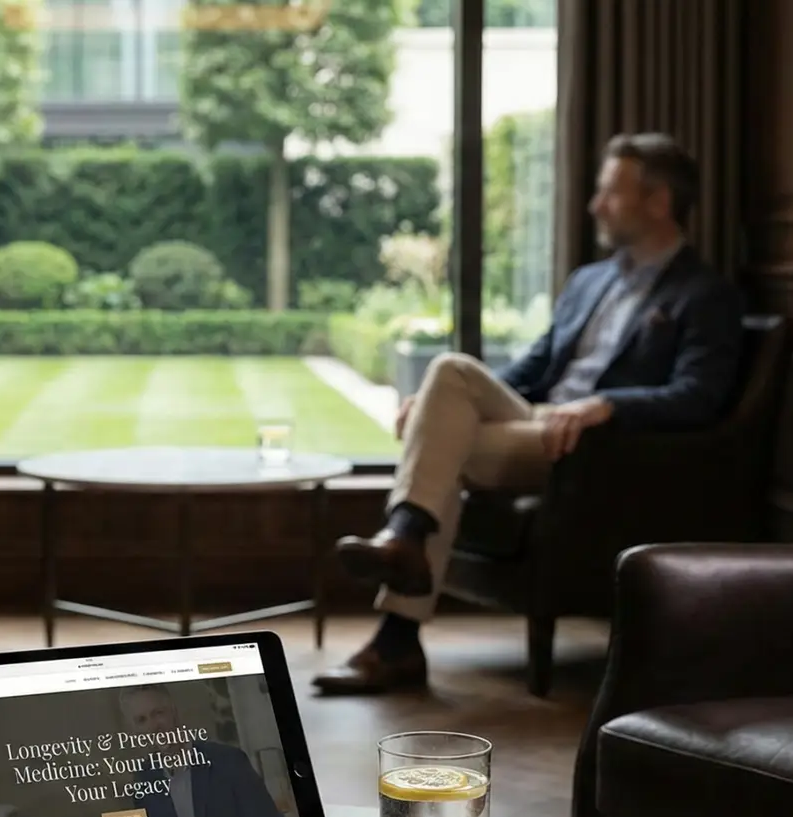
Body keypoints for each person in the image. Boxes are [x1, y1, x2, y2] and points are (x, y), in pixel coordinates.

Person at [314, 132, 747, 695]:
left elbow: (699, 396)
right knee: (449, 376)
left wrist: (607, 405)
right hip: (537, 422)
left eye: (610, 193)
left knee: (441, 438)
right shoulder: (590, 282)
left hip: (591, 448)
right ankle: (404, 552)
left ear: (659, 201)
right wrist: (435, 408)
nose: (595, 206)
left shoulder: (705, 294)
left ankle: (397, 623)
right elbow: (532, 367)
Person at [115, 684, 289, 817]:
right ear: (135, 730)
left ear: (174, 712)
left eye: (158, 713)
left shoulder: (228, 760)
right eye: (141, 720)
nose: (153, 726)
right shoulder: (144, 777)